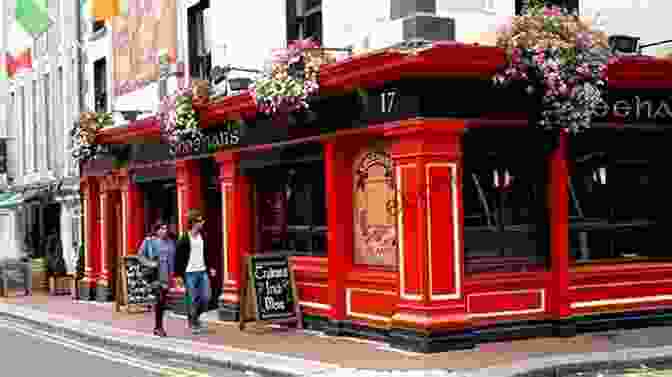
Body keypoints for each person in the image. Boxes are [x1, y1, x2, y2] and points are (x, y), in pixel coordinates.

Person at [175, 209, 216, 334]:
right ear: (193, 223)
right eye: (200, 221)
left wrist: (211, 267)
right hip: (189, 273)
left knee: (206, 297)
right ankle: (193, 323)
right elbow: (178, 258)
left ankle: (195, 316)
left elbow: (208, 254)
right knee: (192, 299)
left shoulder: (203, 236)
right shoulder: (184, 239)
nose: (202, 223)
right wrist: (178, 276)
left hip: (202, 271)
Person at [138, 221, 176, 337]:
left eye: (166, 228)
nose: (164, 231)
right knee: (159, 299)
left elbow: (174, 257)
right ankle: (159, 327)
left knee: (162, 302)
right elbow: (140, 255)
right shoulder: (149, 241)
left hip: (167, 275)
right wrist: (150, 263)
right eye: (162, 229)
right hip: (155, 275)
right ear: (156, 230)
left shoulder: (171, 242)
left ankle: (158, 326)